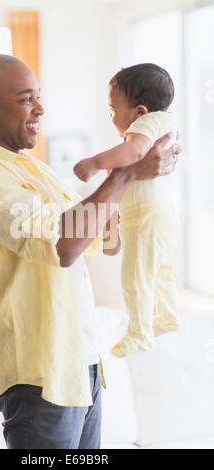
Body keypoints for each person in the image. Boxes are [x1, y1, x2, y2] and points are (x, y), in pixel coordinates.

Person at [0, 54, 181, 449]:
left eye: (38, 96)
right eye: (25, 99)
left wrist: (146, 185)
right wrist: (127, 172)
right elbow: (65, 245)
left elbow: (101, 234)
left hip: (80, 362)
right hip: (38, 377)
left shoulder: (34, 169)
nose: (40, 109)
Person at [74, 63, 181, 358]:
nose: (110, 116)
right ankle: (168, 315)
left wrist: (95, 162)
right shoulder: (162, 124)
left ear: (139, 111)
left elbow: (133, 153)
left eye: (113, 109)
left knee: (135, 277)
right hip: (159, 214)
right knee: (160, 272)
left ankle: (139, 334)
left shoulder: (145, 127)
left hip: (145, 217)